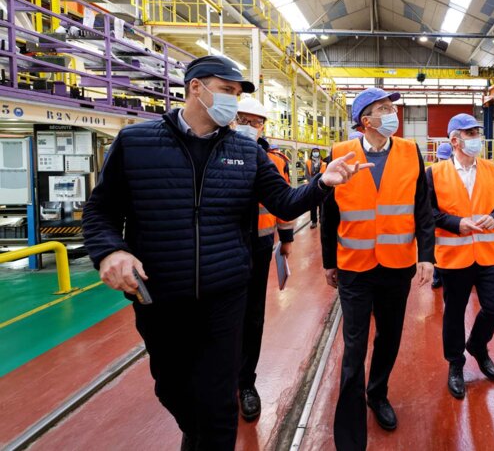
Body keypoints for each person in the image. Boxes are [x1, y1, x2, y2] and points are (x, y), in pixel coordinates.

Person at [82, 55, 370, 451]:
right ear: (195, 88)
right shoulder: (136, 143)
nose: (234, 103)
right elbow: (100, 212)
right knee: (173, 389)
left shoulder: (245, 152)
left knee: (219, 407)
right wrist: (110, 251)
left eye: (237, 94)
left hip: (226, 294)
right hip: (161, 296)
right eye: (227, 91)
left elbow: (284, 203)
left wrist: (323, 182)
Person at [320, 87, 435, 451]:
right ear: (364, 121)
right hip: (354, 267)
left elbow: (422, 209)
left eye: (393, 108)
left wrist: (427, 256)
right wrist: (328, 261)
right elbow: (329, 214)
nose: (393, 114)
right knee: (354, 347)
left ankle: (378, 393)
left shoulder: (410, 152)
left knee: (389, 338)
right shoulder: (339, 154)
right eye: (384, 109)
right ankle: (350, 432)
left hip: (397, 265)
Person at [426, 113, 494, 400]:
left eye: (477, 132)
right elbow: (430, 213)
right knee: (453, 314)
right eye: (471, 132)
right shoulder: (435, 173)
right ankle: (455, 364)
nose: (477, 137)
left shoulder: (490, 169)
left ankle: (477, 345)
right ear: (454, 140)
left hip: (488, 254)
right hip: (454, 257)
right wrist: (456, 224)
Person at [232, 97, 295, 422]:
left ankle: (246, 383)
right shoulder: (216, 154)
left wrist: (286, 240)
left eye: (256, 121)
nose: (249, 126)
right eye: (243, 118)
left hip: (258, 245)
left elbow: (283, 201)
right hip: (222, 248)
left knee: (253, 317)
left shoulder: (273, 159)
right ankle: (220, 379)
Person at [430, 142, 454, 290]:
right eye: (441, 159)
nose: (442, 162)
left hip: (452, 217)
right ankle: (437, 277)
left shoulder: (456, 173)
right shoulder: (431, 172)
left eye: (445, 159)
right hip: (437, 218)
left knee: (450, 251)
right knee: (437, 249)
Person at [306, 147, 323, 228]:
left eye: (317, 151)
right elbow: (306, 174)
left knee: (321, 204)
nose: (315, 153)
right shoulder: (308, 162)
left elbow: (324, 172)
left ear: (319, 153)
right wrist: (312, 181)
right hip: (312, 185)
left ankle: (321, 219)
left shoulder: (322, 162)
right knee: (312, 204)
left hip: (321, 184)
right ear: (311, 153)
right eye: (314, 151)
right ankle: (314, 221)